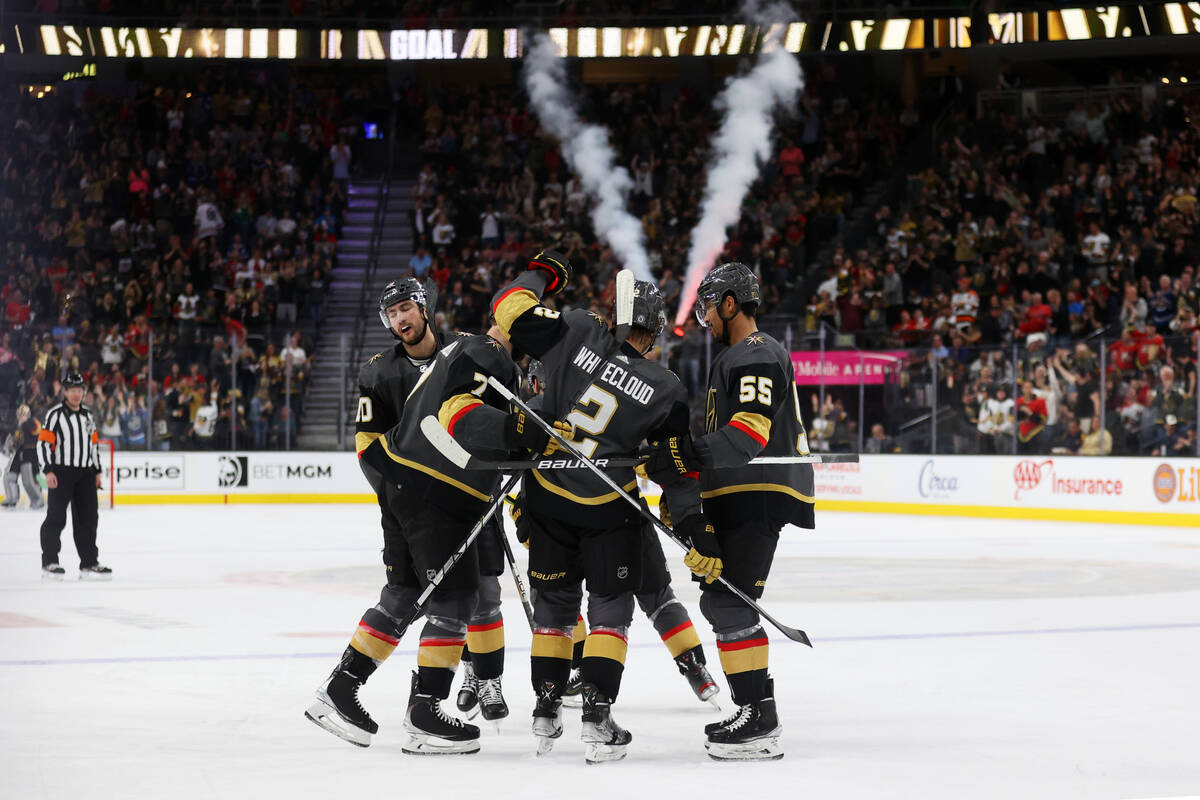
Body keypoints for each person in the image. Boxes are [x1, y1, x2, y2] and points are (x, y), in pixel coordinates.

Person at [490, 252, 707, 763]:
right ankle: (596, 718)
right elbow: (675, 469)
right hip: (608, 502)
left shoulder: (576, 329)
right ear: (653, 329)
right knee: (609, 613)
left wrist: (541, 273)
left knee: (554, 613)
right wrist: (695, 528)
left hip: (544, 495)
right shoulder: (666, 387)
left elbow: (508, 308)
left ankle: (545, 714)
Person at [313, 278, 524, 755]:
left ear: (425, 308)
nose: (400, 320)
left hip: (465, 497)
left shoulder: (464, 353)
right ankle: (425, 708)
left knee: (409, 594)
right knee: (456, 597)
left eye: (406, 308)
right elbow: (368, 448)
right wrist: (405, 497)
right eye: (392, 314)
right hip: (421, 501)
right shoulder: (379, 373)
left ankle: (342, 689)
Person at [644, 262, 815, 761]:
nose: (706, 318)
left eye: (710, 307)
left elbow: (749, 434)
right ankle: (754, 710)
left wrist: (686, 455)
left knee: (731, 603)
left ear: (731, 303)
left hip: (758, 490)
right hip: (742, 490)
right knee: (722, 600)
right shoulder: (739, 356)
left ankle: (760, 719)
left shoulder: (756, 352)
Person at [510, 359, 719, 711]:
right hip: (620, 514)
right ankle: (692, 665)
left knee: (565, 602)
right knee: (652, 597)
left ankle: (574, 676)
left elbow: (531, 471)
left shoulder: (536, 410)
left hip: (575, 522)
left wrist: (523, 511)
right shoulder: (608, 397)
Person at [36, 374, 111, 580]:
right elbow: (43, 444)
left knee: (88, 519)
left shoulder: (88, 415)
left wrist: (96, 471)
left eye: (79, 390)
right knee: (56, 517)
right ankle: (50, 562)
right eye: (72, 390)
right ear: (65, 392)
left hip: (85, 474)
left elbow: (93, 445)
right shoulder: (55, 415)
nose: (76, 394)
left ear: (84, 392)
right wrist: (48, 470)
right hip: (61, 472)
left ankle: (88, 563)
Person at [3, 405, 44, 510]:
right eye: (20, 415)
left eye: (23, 415)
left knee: (29, 479)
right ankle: (12, 498)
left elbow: (37, 431)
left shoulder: (31, 423)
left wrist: (25, 425)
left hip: (30, 453)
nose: (21, 417)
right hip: (19, 454)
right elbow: (11, 441)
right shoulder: (16, 426)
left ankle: (38, 499)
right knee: (9, 477)